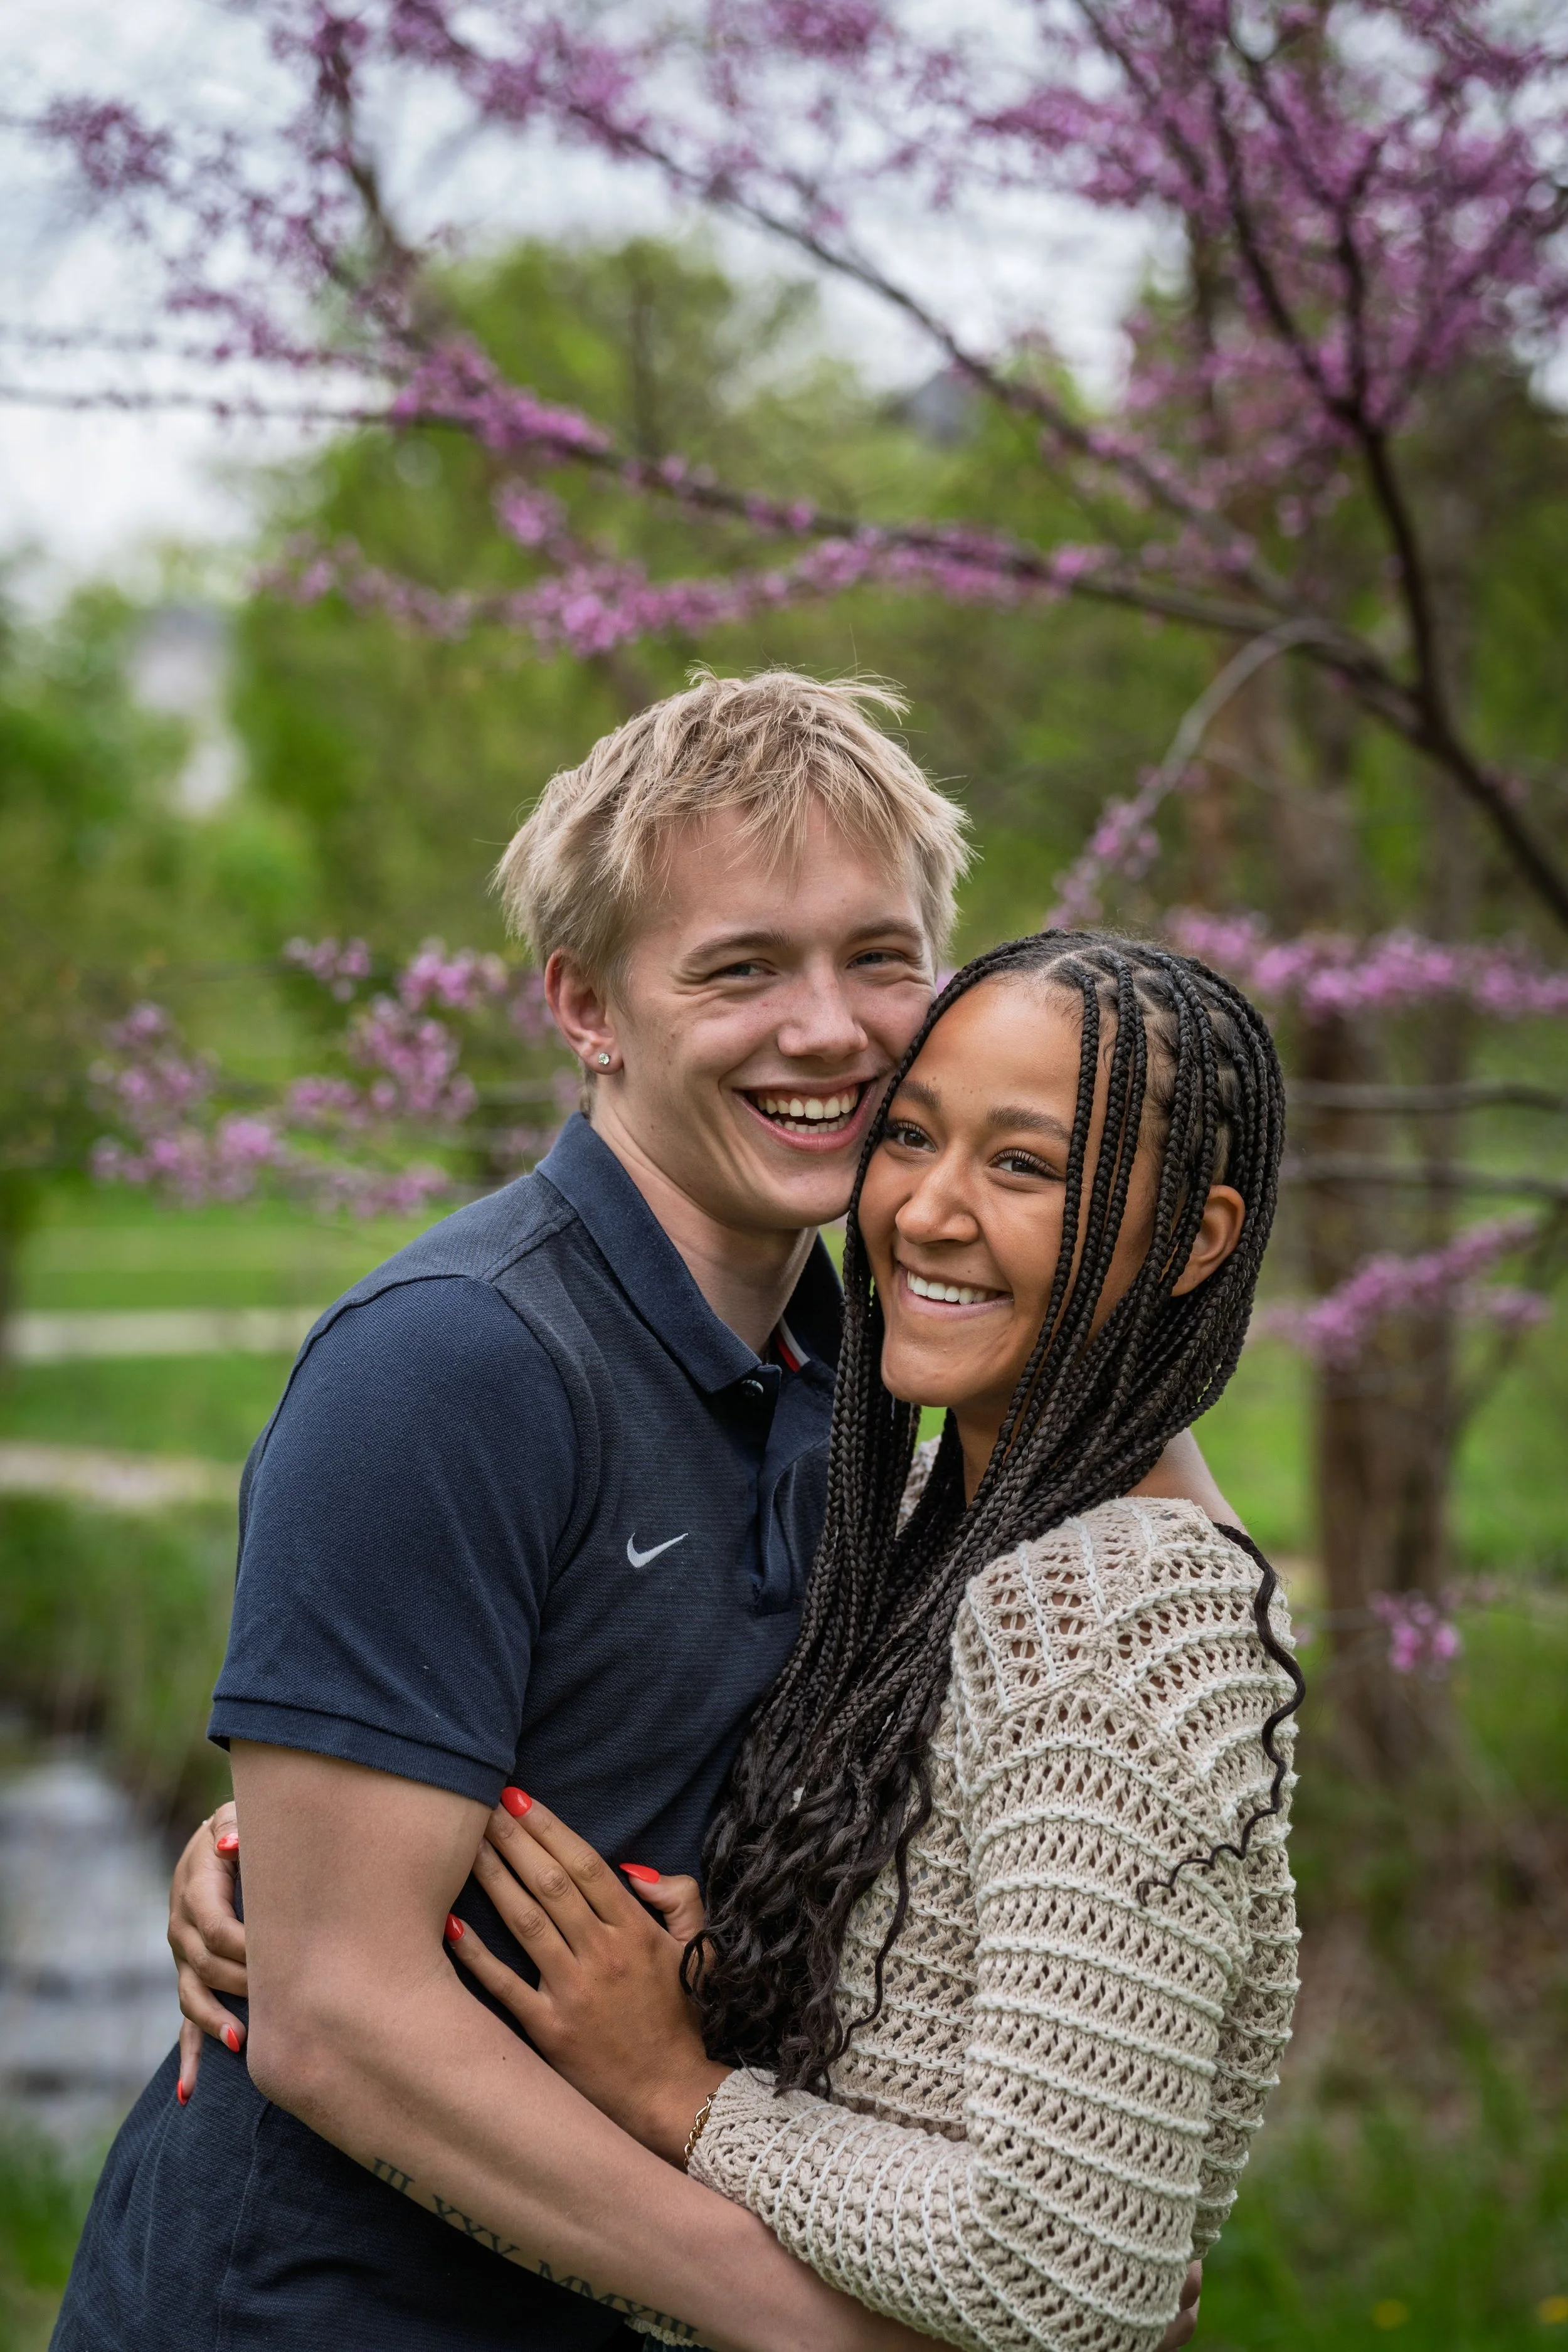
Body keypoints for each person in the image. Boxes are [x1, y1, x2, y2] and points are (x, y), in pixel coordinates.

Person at [61, 672, 1229, 2352]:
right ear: (586, 1004)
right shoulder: (456, 1358)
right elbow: (332, 2011)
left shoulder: (868, 1362)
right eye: (740, 967)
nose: (826, 1027)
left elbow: (1166, 1601)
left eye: (876, 956)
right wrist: (823, 2327)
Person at [424, 931, 1305, 2349]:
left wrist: (681, 2096)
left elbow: (1060, 2273)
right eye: (907, 1137)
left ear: (1193, 1239)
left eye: (1022, 1167)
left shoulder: (1121, 1618)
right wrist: (293, 1846)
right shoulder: (916, 1510)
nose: (924, 1212)